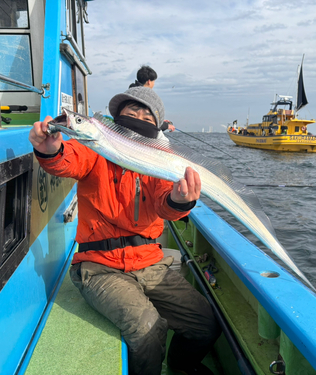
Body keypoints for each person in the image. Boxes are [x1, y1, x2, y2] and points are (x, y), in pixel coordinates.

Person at [29, 87, 221, 375]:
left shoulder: (159, 161)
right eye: (131, 111)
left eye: (147, 114)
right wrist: (51, 151)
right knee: (147, 329)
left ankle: (182, 367)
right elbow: (69, 159)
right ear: (116, 118)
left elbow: (164, 204)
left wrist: (181, 200)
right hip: (99, 267)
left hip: (149, 261)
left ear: (155, 127)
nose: (138, 116)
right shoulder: (95, 149)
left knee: (205, 323)